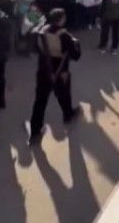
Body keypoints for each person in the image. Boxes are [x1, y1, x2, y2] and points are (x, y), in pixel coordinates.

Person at [28, 8, 80, 146]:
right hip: (60, 71)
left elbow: (36, 49)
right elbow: (75, 56)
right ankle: (68, 114)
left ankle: (35, 131)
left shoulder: (41, 31)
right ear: (61, 19)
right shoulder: (64, 35)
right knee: (63, 95)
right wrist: (76, 44)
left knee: (40, 101)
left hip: (43, 70)